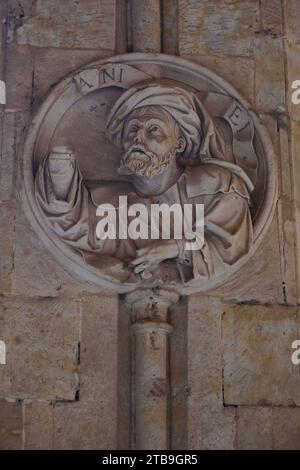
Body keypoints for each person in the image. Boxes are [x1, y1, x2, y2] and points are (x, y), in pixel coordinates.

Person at [35, 83, 254, 283]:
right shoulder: (110, 201)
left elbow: (230, 249)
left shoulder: (217, 185)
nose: (138, 137)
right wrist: (60, 173)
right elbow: (76, 228)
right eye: (132, 129)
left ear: (179, 143)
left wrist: (177, 248)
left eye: (154, 129)